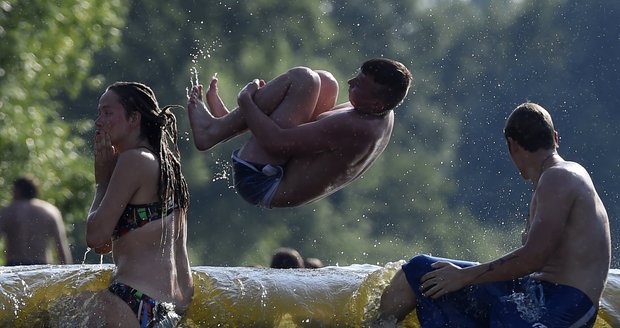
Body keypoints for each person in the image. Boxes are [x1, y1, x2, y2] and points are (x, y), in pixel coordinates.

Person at [375, 102, 611, 327]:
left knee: (465, 289)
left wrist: (464, 276)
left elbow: (533, 258)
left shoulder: (558, 177)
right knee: (423, 272)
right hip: (532, 291)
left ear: (512, 145)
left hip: (566, 304)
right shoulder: (552, 180)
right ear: (556, 138)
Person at [187, 58, 412, 208]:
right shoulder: (380, 112)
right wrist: (242, 114)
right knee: (326, 82)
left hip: (262, 180)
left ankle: (213, 131)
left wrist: (245, 100)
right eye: (356, 77)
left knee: (304, 79)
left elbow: (276, 142)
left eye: (359, 85)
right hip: (279, 165)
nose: (350, 82)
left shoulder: (357, 128)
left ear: (376, 104)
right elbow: (300, 137)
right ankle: (224, 125)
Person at [86, 82, 193, 327]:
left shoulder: (133, 161)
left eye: (107, 112)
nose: (98, 121)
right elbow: (105, 246)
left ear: (134, 118)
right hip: (170, 311)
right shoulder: (168, 168)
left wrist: (101, 183)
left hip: (131, 301)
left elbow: (94, 236)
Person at [0, 176, 73, 265]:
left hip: (14, 266)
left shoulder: (8, 212)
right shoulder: (50, 211)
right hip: (42, 266)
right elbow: (61, 246)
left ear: (18, 191)